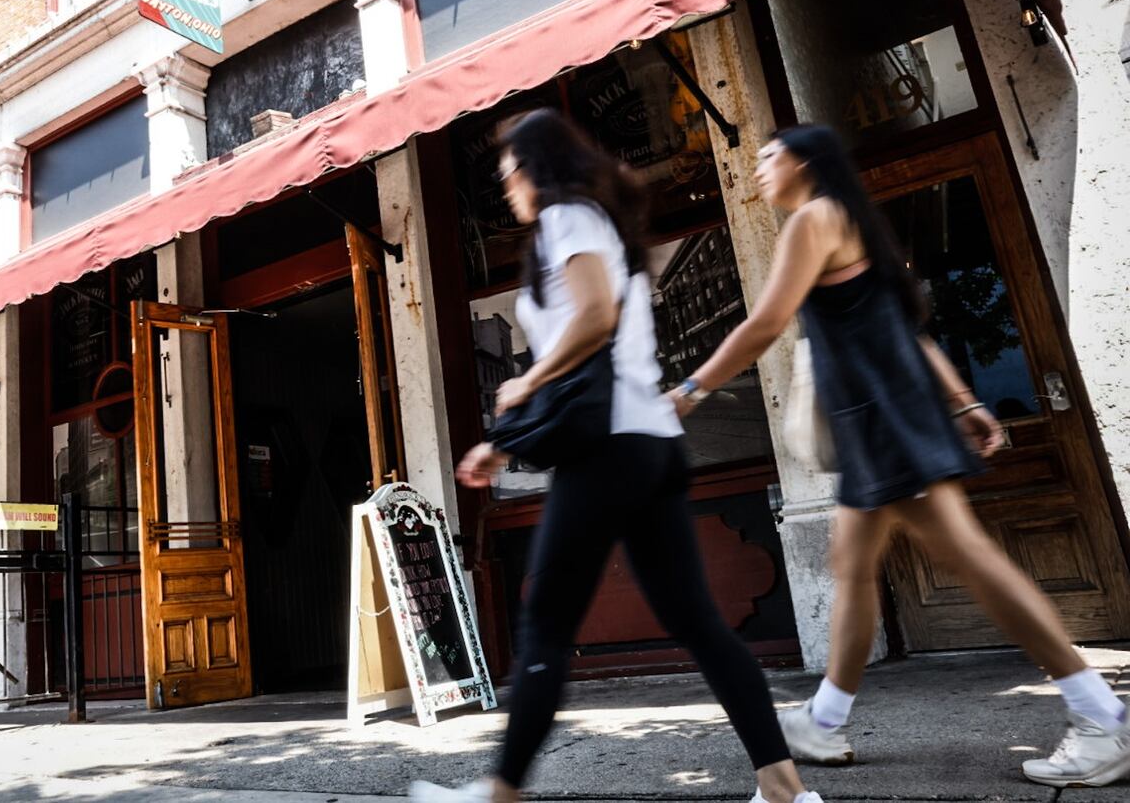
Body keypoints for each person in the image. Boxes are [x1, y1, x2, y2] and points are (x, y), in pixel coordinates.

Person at [671, 124, 1130, 789]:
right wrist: (967, 403)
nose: (759, 170)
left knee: (975, 563)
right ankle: (825, 722)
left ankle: (1102, 720)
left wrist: (691, 388)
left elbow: (767, 322)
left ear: (805, 162)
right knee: (851, 567)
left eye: (769, 156)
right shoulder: (854, 223)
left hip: (882, 423)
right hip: (884, 420)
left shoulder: (812, 220)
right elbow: (911, 336)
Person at [411, 109, 821, 803]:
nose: (505, 181)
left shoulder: (565, 218)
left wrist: (525, 382)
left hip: (607, 452)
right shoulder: (592, 224)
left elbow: (594, 324)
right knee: (698, 622)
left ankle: (501, 791)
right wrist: (503, 443)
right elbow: (593, 360)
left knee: (545, 624)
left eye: (510, 167)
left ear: (536, 168)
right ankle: (784, 788)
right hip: (648, 443)